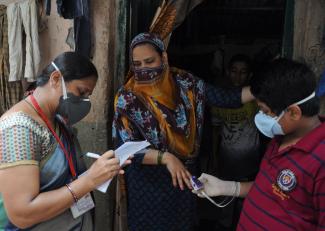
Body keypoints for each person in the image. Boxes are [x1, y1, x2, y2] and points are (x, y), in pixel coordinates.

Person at [112, 32, 253, 231]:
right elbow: (126, 149)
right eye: (137, 64)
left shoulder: (186, 83)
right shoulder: (127, 98)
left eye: (149, 61)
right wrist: (166, 158)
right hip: (148, 186)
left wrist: (261, 91)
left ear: (164, 57)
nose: (143, 69)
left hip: (183, 180)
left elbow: (224, 98)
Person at [0, 52, 130, 230]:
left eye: (88, 95)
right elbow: (22, 213)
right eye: (81, 92)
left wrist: (102, 171)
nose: (83, 101)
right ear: (55, 78)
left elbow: (68, 178)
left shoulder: (58, 121)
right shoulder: (18, 129)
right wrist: (89, 181)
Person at [193, 59, 325, 230]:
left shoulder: (321, 160)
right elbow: (271, 187)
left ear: (293, 112)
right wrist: (229, 187)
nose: (261, 117)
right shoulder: (280, 138)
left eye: (265, 111)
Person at [208, 54, 265, 230]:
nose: (237, 76)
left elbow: (265, 133)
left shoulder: (256, 100)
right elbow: (216, 130)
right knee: (225, 197)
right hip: (227, 156)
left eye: (243, 72)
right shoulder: (219, 100)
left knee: (246, 199)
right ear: (227, 72)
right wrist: (215, 156)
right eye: (234, 71)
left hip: (250, 158)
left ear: (249, 75)